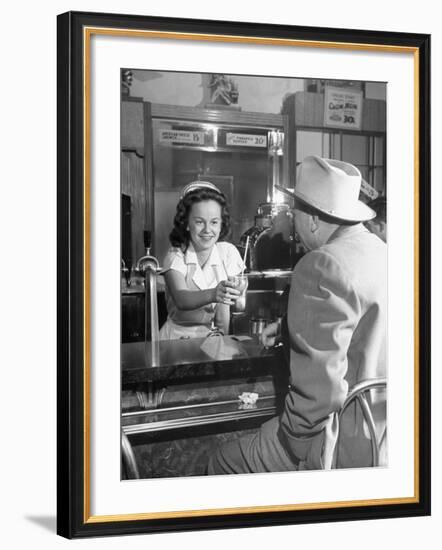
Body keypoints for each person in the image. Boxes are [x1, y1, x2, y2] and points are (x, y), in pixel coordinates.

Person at [208, 155, 387, 474]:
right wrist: (289, 325)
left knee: (222, 461)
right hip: (389, 439)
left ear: (314, 219)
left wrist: (292, 446)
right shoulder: (384, 251)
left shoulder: (321, 263)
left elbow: (319, 394)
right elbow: (364, 326)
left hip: (344, 447)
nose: (292, 220)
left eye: (295, 212)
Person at [159, 181, 244, 340]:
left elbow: (223, 312)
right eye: (199, 222)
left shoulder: (227, 252)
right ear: (186, 224)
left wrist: (222, 341)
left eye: (214, 222)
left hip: (210, 338)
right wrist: (214, 293)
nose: (207, 230)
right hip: (175, 340)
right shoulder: (176, 255)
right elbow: (181, 299)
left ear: (221, 224)